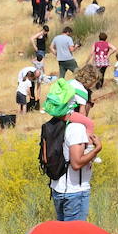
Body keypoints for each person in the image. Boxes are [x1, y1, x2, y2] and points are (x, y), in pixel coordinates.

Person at [42, 80, 100, 221]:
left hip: (57, 189)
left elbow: (45, 159)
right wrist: (97, 149)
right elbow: (76, 163)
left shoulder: (49, 125)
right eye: (89, 103)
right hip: (75, 192)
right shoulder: (76, 128)